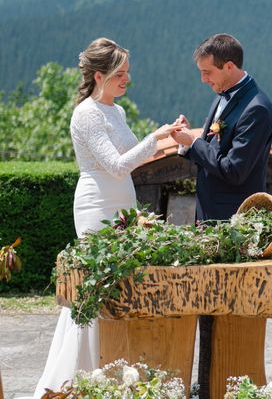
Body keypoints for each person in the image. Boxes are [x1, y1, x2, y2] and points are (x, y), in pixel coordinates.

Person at [31, 38, 178, 397]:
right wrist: (156, 137)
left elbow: (134, 155)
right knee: (96, 285)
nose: (127, 80)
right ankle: (79, 376)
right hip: (97, 202)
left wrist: (174, 141)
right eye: (120, 74)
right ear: (100, 75)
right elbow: (115, 165)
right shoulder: (86, 114)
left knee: (120, 281)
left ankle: (113, 368)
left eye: (127, 73)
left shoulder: (117, 111)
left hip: (123, 199)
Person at [171, 33, 272, 399]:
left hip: (232, 224)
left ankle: (227, 385)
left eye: (207, 72)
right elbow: (213, 147)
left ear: (229, 66)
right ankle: (207, 384)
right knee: (205, 309)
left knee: (228, 314)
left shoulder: (257, 108)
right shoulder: (224, 98)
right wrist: (189, 142)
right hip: (209, 219)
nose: (204, 79)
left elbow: (233, 170)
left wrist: (192, 143)